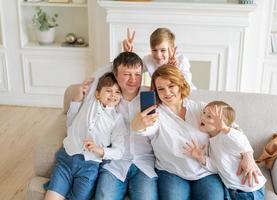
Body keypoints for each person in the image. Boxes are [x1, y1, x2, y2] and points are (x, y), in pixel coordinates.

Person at [131, 64, 263, 200]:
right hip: (172, 172)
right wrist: (137, 125)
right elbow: (144, 129)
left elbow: (232, 127)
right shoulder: (157, 115)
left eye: (171, 86)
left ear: (180, 85)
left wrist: (248, 155)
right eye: (161, 89)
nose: (167, 93)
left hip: (205, 170)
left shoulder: (200, 107)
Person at [75, 52, 158, 200]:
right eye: (127, 74)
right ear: (114, 73)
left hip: (144, 163)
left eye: (137, 74)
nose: (133, 80)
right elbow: (97, 76)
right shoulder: (107, 98)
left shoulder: (150, 96)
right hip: (114, 164)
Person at [44, 72, 125, 200]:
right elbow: (71, 118)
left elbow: (119, 151)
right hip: (67, 158)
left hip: (89, 166)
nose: (113, 95)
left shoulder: (117, 119)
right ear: (97, 94)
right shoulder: (90, 103)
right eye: (108, 90)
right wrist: (78, 97)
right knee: (51, 197)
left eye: (118, 92)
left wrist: (100, 150)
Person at [184, 100, 266, 200]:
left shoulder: (227, 137)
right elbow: (217, 167)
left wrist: (224, 128)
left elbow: (240, 141)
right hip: (232, 190)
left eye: (209, 116)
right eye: (204, 113)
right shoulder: (211, 142)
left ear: (223, 122)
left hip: (249, 190)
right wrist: (202, 158)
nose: (203, 117)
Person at [122, 27, 196, 89]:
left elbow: (186, 86)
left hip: (187, 94)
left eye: (163, 50)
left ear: (172, 49)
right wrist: (127, 55)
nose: (158, 55)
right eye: (154, 50)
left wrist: (174, 71)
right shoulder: (148, 60)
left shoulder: (181, 60)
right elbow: (133, 70)